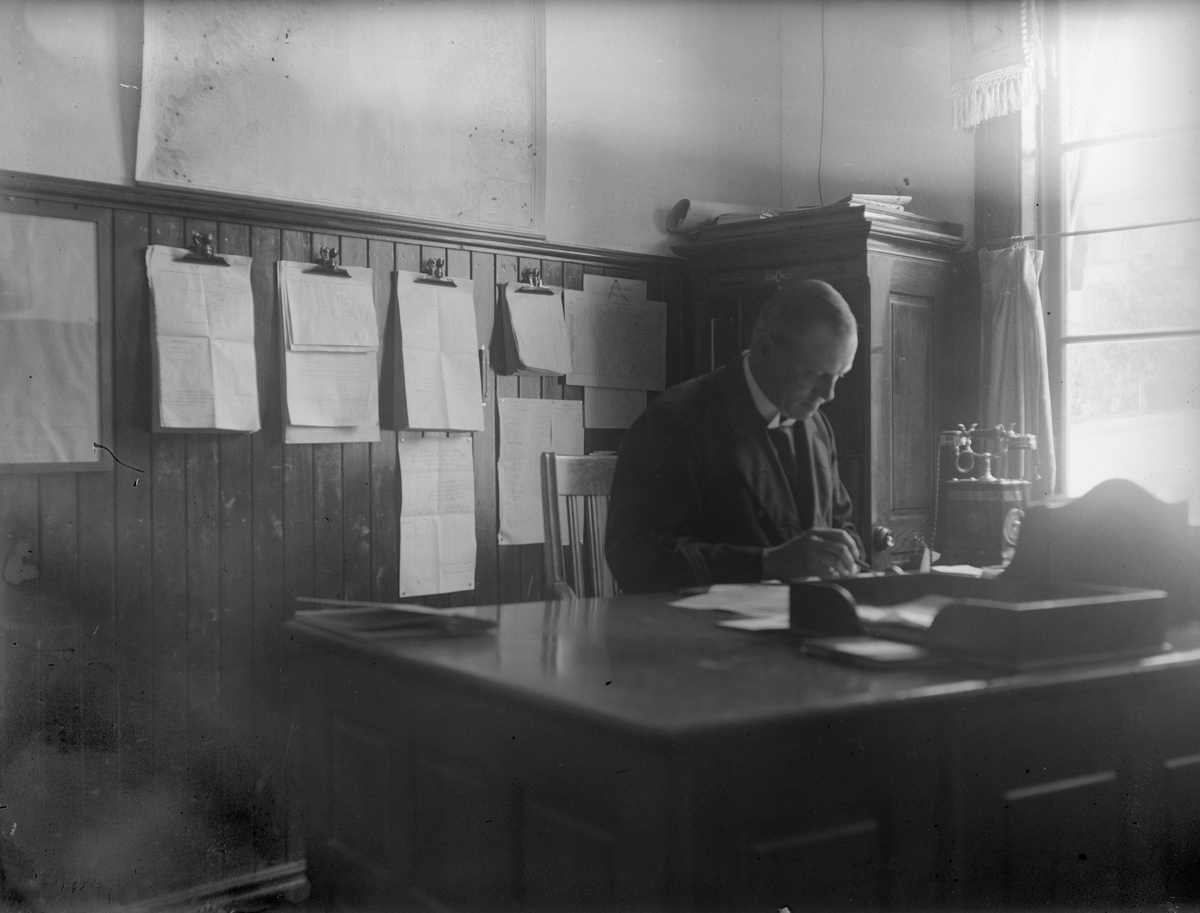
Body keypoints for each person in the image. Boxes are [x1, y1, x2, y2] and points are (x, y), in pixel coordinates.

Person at [605, 279, 864, 594]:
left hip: (801, 616)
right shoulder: (675, 421)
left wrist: (861, 570)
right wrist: (768, 563)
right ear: (764, 348)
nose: (829, 393)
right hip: (701, 621)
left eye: (839, 376)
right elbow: (636, 557)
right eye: (813, 373)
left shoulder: (817, 426)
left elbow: (841, 528)